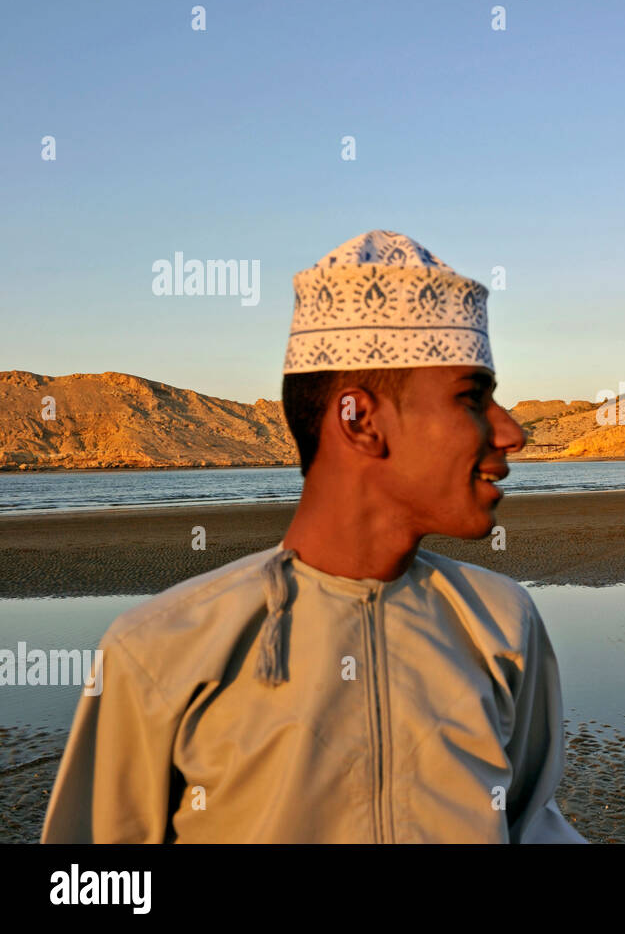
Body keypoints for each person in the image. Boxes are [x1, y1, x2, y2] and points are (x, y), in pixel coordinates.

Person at [41, 230, 587, 843]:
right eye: (471, 398)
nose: (511, 432)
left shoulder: (501, 623)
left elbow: (532, 825)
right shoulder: (161, 650)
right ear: (359, 421)